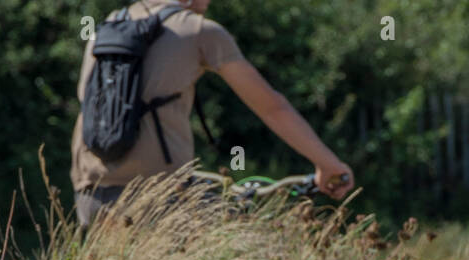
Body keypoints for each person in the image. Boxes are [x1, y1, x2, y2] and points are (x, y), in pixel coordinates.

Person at [70, 0, 354, 228]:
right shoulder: (199, 31)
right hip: (159, 202)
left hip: (89, 199)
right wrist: (328, 164)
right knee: (246, 243)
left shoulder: (105, 28)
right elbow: (272, 107)